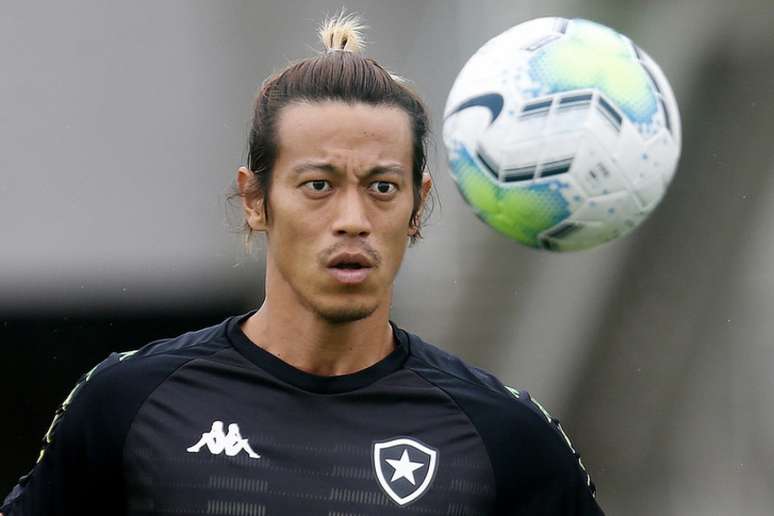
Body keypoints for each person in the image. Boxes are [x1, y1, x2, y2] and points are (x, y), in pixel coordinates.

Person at [2, 14, 604, 516]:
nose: (353, 218)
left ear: (418, 208)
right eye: (318, 185)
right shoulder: (129, 404)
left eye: (383, 188)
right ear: (256, 200)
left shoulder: (503, 436)